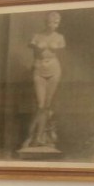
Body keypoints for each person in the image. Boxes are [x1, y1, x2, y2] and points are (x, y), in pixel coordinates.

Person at [22, 11, 66, 150]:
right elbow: (31, 46)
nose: (54, 25)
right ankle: (31, 136)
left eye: (57, 22)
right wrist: (37, 46)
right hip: (39, 69)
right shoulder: (36, 36)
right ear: (46, 22)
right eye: (51, 22)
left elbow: (61, 49)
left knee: (47, 105)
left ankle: (39, 138)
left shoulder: (60, 37)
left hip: (54, 70)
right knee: (41, 105)